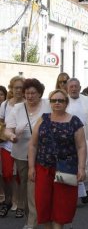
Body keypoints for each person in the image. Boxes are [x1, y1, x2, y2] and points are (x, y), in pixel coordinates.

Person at [28, 89, 86, 229]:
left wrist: (81, 168)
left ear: (66, 103)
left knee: (62, 206)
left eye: (61, 100)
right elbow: (33, 144)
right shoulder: (43, 118)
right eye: (54, 100)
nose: (57, 103)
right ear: (50, 103)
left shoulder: (74, 121)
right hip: (43, 168)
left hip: (65, 169)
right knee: (43, 204)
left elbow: (81, 147)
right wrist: (31, 167)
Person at [5, 78, 51, 227]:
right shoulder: (17, 108)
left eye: (33, 93)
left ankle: (35, 220)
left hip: (44, 152)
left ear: (40, 93)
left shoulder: (48, 105)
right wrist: (11, 136)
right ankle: (30, 216)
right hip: (21, 152)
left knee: (38, 185)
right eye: (27, 93)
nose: (30, 96)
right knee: (26, 185)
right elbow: (8, 129)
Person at [66, 78, 88, 204]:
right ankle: (72, 193)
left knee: (87, 167)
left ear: (80, 88)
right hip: (69, 141)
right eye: (71, 86)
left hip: (87, 139)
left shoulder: (87, 100)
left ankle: (86, 189)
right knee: (71, 168)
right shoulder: (63, 100)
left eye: (76, 86)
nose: (74, 89)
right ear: (67, 88)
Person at [0, 76, 25, 218]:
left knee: (21, 177)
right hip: (6, 143)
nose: (18, 90)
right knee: (7, 174)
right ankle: (8, 201)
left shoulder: (27, 103)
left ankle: (21, 204)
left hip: (22, 144)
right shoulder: (4, 105)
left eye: (21, 88)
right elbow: (1, 122)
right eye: (16, 87)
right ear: (11, 88)